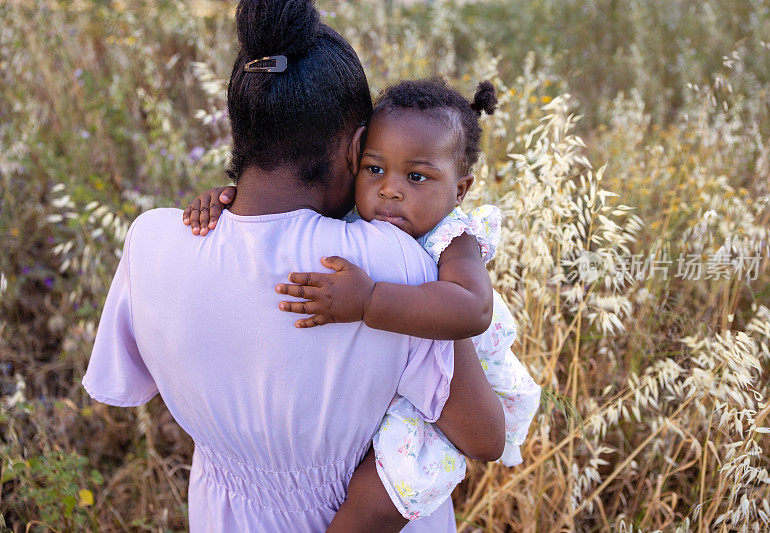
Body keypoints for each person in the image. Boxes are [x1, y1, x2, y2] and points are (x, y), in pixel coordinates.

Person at [82, 1, 504, 531]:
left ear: (242, 131)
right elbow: (486, 436)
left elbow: (125, 382)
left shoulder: (152, 240)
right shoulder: (389, 264)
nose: (387, 188)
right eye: (374, 164)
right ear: (356, 149)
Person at [186, 78, 542, 523]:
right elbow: (284, 207)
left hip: (448, 398)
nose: (390, 189)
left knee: (375, 498)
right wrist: (233, 202)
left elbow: (474, 308)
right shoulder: (363, 218)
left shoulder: (456, 238)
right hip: (400, 389)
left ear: (461, 189)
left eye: (416, 176)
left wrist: (371, 299)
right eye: (374, 168)